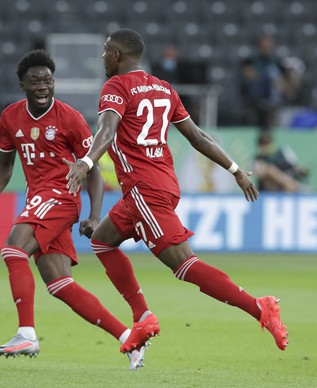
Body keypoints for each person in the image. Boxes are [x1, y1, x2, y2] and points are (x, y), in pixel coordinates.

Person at [65, 29, 288, 361]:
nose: (102, 58)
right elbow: (197, 136)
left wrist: (84, 162)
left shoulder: (116, 86)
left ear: (117, 56)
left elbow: (107, 131)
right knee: (101, 240)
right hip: (160, 185)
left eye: (104, 52)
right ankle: (142, 317)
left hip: (144, 190)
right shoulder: (164, 88)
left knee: (184, 264)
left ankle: (259, 307)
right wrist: (236, 170)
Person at [0, 49, 145, 370]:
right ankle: (129, 338)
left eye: (48, 80)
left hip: (61, 195)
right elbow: (4, 166)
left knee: (13, 251)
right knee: (59, 284)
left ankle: (26, 333)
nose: (43, 86)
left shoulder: (70, 118)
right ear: (22, 86)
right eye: (35, 81)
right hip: (37, 199)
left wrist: (95, 215)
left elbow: (93, 169)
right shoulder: (10, 117)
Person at [239, 35, 301, 128]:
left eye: (269, 46)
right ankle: (279, 98)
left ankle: (275, 102)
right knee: (271, 73)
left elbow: (285, 76)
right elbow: (248, 75)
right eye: (265, 46)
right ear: (260, 46)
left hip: (274, 89)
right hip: (257, 88)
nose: (267, 48)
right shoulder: (251, 59)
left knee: (277, 74)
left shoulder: (277, 60)